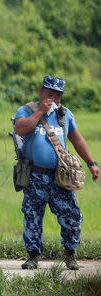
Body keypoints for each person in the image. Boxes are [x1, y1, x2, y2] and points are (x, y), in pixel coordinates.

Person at [14, 76, 99, 270]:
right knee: (32, 216)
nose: (53, 98)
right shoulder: (26, 110)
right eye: (49, 93)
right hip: (34, 177)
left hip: (61, 177)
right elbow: (20, 129)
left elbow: (77, 140)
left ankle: (70, 255)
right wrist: (41, 112)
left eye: (57, 95)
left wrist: (91, 163)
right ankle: (33, 256)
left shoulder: (65, 114)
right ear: (40, 92)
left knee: (72, 216)